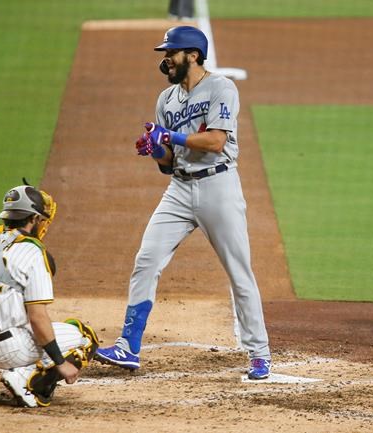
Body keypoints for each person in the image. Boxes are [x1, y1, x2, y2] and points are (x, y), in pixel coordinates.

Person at [96, 26, 272, 379]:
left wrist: (170, 135)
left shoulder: (221, 88)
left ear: (192, 54)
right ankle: (128, 346)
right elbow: (168, 163)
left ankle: (259, 354)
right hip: (179, 189)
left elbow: (217, 142)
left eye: (170, 53)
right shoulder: (166, 100)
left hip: (218, 185)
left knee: (239, 272)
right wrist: (155, 150)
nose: (165, 60)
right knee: (146, 260)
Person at [0, 182, 99, 407]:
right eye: (41, 219)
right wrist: (59, 362)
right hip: (8, 351)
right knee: (85, 336)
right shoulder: (33, 252)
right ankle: (25, 378)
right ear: (33, 219)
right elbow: (37, 317)